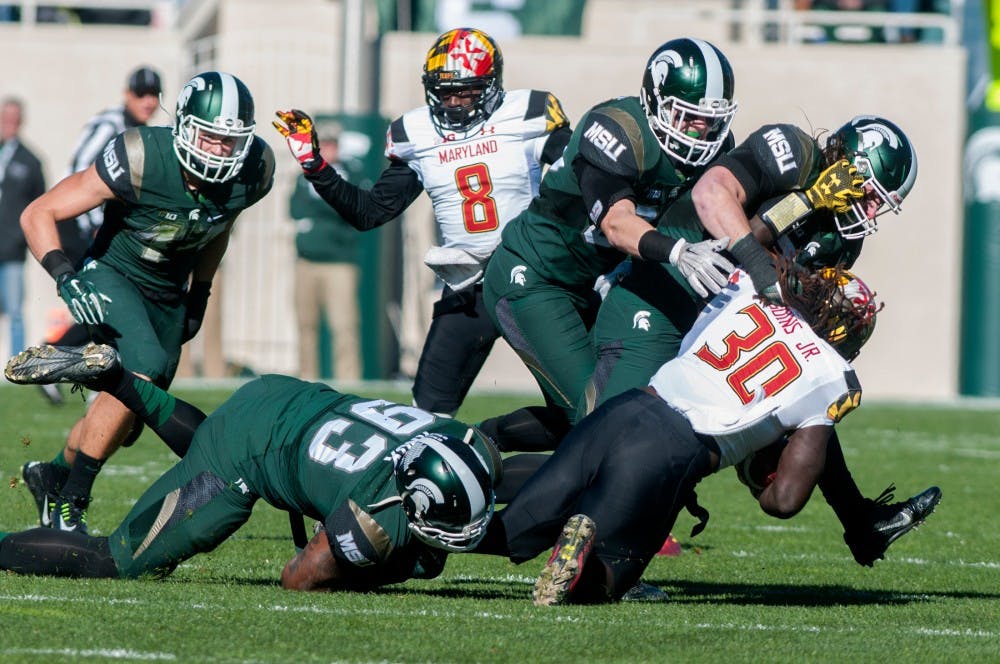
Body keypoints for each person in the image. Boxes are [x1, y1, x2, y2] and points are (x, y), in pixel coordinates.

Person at [472, 257, 941, 604]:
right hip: (674, 450)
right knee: (608, 582)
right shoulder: (831, 377)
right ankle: (585, 544)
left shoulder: (748, 291)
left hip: (630, 406)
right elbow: (784, 501)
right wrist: (772, 449)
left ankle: (424, 537)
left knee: (511, 529)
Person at [2, 343, 497, 587]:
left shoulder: (456, 438)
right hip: (249, 451)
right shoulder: (378, 513)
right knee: (111, 561)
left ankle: (118, 377)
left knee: (218, 442)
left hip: (282, 395)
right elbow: (298, 576)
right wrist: (389, 565)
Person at [18, 71, 275, 534]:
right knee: (146, 366)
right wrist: (64, 275)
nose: (220, 150)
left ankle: (53, 473)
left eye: (229, 141)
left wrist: (201, 291)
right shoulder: (140, 156)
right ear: (184, 127)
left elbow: (219, 229)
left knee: (132, 410)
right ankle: (72, 506)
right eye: (210, 137)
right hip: (114, 274)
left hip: (168, 290)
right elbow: (38, 211)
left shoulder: (254, 171)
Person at [273, 26, 572, 417]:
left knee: (577, 404)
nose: (454, 102)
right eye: (445, 91)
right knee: (425, 414)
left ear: (492, 85)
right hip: (469, 283)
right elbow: (369, 213)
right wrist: (316, 166)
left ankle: (496, 441)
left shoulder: (529, 113)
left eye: (465, 91)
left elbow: (579, 185)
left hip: (529, 274)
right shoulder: (417, 133)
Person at [477, 37, 740, 454]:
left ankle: (479, 442)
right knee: (597, 420)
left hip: (595, 284)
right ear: (655, 100)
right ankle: (483, 453)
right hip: (535, 278)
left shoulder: (712, 151)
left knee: (599, 415)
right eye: (687, 117)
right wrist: (677, 252)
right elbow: (616, 224)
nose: (700, 131)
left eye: (710, 120)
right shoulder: (618, 129)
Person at [39, 65, 163, 405]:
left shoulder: (140, 132)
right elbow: (78, 169)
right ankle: (56, 360)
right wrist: (93, 220)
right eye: (142, 93)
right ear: (127, 94)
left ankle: (67, 363)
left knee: (110, 302)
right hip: (78, 221)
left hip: (99, 225)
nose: (149, 101)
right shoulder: (110, 125)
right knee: (105, 300)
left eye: (154, 94)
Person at [288, 130, 362, 381]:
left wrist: (320, 207)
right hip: (307, 261)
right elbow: (295, 210)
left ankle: (348, 380)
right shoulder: (304, 177)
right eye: (323, 146)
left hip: (339, 264)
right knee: (305, 325)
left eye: (331, 145)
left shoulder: (350, 174)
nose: (327, 150)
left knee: (344, 326)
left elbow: (347, 210)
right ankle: (308, 379)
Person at [0, 97, 45, 358]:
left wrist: (22, 236)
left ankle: (16, 364)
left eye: (14, 118)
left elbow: (41, 204)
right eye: (6, 118)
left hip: (13, 251)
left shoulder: (30, 161)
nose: (9, 123)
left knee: (15, 311)